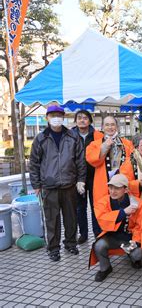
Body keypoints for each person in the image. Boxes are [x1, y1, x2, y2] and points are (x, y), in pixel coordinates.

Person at [29, 105, 86, 261]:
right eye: (53, 115)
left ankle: (70, 243)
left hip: (69, 185)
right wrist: (36, 185)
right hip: (49, 186)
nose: (56, 118)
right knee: (52, 220)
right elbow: (34, 163)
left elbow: (80, 161)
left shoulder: (73, 136)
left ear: (64, 117)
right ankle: (53, 248)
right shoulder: (40, 138)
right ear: (47, 117)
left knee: (71, 217)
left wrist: (81, 180)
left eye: (59, 115)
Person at [90, 174, 142, 282]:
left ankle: (133, 258)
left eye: (117, 188)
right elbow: (102, 220)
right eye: (110, 187)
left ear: (126, 189)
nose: (113, 191)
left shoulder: (138, 203)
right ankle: (105, 268)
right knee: (99, 245)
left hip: (130, 238)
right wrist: (123, 212)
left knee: (138, 253)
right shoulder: (102, 202)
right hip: (112, 237)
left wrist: (135, 242)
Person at [86, 116, 134, 218]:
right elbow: (93, 161)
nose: (110, 127)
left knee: (124, 213)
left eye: (112, 124)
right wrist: (104, 147)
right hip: (103, 184)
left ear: (117, 126)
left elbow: (132, 163)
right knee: (103, 212)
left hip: (123, 184)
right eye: (107, 125)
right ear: (102, 127)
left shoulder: (127, 143)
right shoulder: (95, 144)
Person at [71, 110, 103, 242]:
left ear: (90, 121)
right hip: (77, 177)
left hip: (95, 175)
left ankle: (98, 233)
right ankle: (83, 234)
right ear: (76, 121)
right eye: (79, 118)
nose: (82, 120)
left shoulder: (98, 135)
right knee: (80, 207)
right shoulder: (70, 135)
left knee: (96, 206)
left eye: (85, 118)